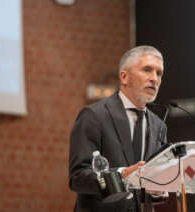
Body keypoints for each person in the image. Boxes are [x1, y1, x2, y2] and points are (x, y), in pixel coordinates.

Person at [69, 45, 167, 212]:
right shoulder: (94, 116)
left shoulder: (158, 125)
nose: (154, 79)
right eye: (147, 70)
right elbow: (78, 177)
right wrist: (121, 176)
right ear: (124, 77)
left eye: (159, 73)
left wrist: (158, 189)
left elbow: (145, 192)